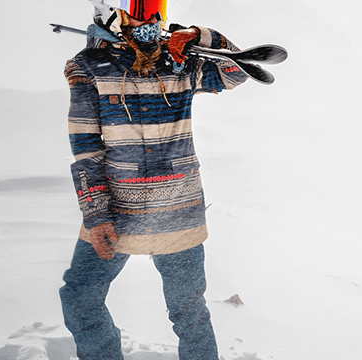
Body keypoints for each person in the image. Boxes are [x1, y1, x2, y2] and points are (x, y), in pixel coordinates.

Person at [59, 1, 249, 359]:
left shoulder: (181, 61)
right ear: (112, 12)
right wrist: (96, 215)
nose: (151, 18)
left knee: (189, 312)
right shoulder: (88, 68)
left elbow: (237, 71)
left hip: (178, 212)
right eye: (140, 7)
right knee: (81, 297)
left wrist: (199, 36)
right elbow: (86, 149)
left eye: (156, 7)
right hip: (118, 212)